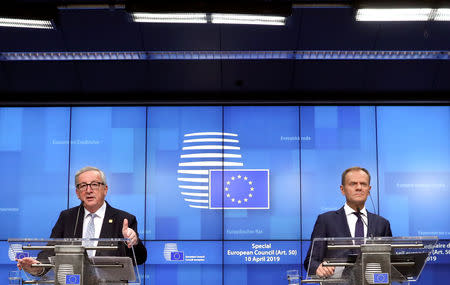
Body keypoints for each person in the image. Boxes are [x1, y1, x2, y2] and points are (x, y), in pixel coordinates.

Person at [16, 166, 147, 276]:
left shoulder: (123, 219)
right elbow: (51, 250)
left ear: (105, 189)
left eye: (94, 184)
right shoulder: (67, 217)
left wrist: (133, 243)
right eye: (83, 186)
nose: (89, 190)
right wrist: (38, 266)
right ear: (77, 193)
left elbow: (140, 258)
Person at [304, 166, 392, 278]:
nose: (359, 187)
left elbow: (390, 263)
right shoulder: (325, 220)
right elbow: (311, 261)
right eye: (353, 184)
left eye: (363, 184)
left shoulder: (382, 224)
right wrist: (318, 268)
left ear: (369, 190)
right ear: (342, 189)